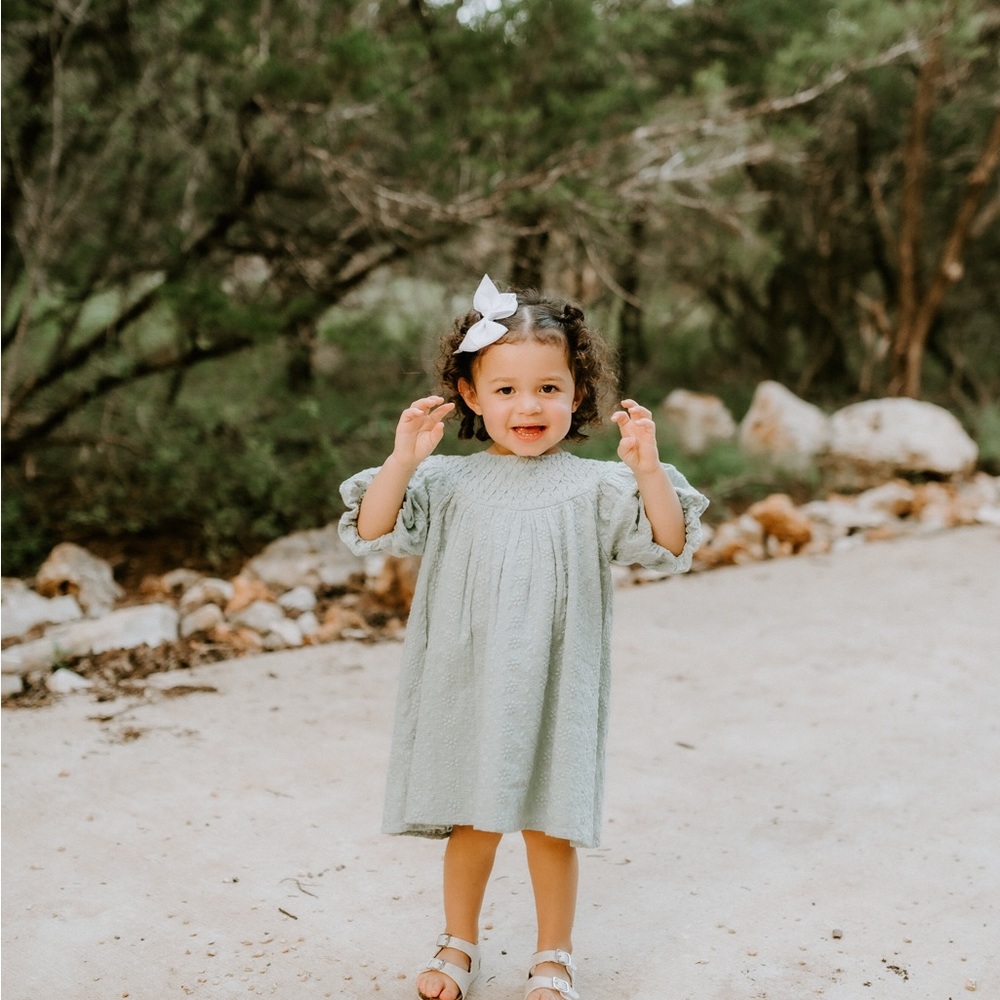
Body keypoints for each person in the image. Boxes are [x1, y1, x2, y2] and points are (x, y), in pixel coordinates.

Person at [338, 275, 708, 1000]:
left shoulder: (598, 490)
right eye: (505, 391)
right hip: (466, 678)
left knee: (549, 823)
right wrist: (403, 459)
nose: (528, 406)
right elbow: (372, 529)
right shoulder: (446, 484)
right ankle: (457, 944)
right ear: (471, 396)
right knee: (471, 819)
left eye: (548, 387)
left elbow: (667, 544)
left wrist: (649, 469)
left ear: (579, 395)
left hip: (555, 682)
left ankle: (553, 955)